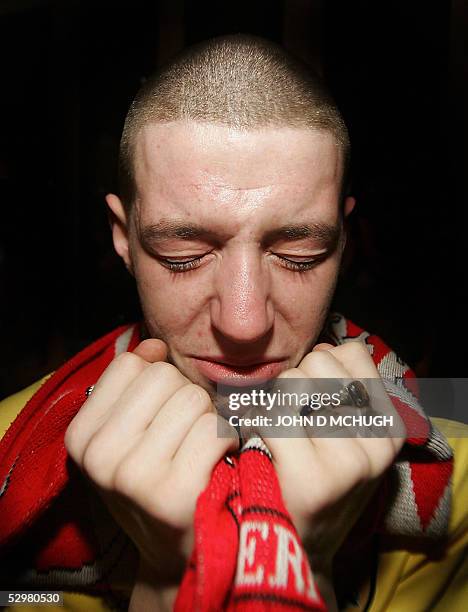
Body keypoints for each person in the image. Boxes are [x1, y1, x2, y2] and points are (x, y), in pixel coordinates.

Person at [0, 35, 466, 611]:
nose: (244, 322)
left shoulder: (460, 473)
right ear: (123, 237)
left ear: (344, 242)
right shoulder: (7, 445)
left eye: (299, 256)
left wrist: (298, 561)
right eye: (182, 255)